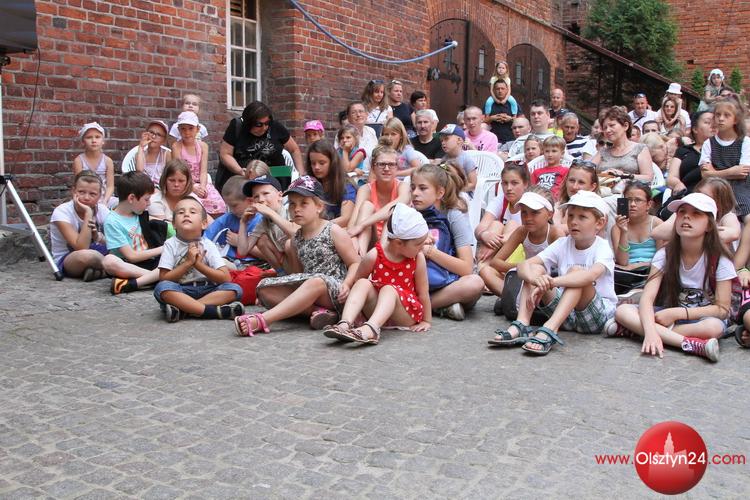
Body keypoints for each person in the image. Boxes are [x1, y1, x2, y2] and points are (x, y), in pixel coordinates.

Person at [605, 193, 733, 362]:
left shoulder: (720, 259)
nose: (686, 217)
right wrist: (650, 332)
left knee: (713, 328)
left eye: (696, 213)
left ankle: (633, 331)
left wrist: (677, 313)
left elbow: (722, 309)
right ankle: (690, 344)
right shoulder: (665, 254)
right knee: (623, 311)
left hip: (699, 318)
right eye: (682, 212)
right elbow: (647, 298)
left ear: (709, 225)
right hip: (665, 314)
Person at [233, 176, 360, 335]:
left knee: (316, 281)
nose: (297, 209)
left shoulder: (333, 230)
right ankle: (322, 312)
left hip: (336, 290)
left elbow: (355, 263)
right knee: (264, 289)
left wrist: (347, 284)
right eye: (292, 204)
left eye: (303, 203)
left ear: (319, 206)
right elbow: (298, 273)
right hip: (310, 286)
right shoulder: (296, 239)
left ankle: (263, 319)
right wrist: (243, 222)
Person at [492, 191, 616, 355]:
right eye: (570, 216)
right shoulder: (563, 244)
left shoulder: (602, 247)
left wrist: (552, 282)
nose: (574, 222)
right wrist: (535, 279)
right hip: (565, 314)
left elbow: (590, 276)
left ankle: (550, 328)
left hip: (595, 317)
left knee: (576, 272)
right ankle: (522, 323)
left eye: (582, 217)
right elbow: (524, 265)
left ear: (599, 223)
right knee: (536, 269)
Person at [323, 203, 431, 344]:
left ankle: (371, 329)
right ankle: (345, 324)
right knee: (363, 283)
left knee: (389, 289)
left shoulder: (417, 258)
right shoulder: (374, 255)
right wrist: (350, 290)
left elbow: (423, 292)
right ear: (398, 243)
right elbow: (358, 281)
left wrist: (426, 320)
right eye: (418, 244)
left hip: (405, 313)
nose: (422, 247)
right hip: (377, 309)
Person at [153, 197, 245, 323]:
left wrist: (198, 265)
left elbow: (225, 277)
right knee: (162, 288)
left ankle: (185, 309)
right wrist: (188, 263)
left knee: (234, 289)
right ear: (173, 224)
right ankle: (211, 311)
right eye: (181, 212)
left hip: (208, 289)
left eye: (192, 212)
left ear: (204, 224)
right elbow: (164, 278)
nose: (186, 214)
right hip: (181, 290)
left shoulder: (208, 245)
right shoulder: (170, 244)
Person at [412, 164, 484, 320]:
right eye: (413, 188)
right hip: (415, 282)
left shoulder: (454, 215)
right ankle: (442, 306)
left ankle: (419, 306)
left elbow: (466, 268)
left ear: (440, 192)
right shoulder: (409, 213)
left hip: (448, 282)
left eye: (422, 188)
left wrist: (430, 251)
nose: (415, 193)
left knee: (475, 283)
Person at [481, 188, 564, 303]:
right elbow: (495, 262)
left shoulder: (555, 233)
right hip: (525, 277)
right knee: (486, 271)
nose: (528, 218)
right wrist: (522, 267)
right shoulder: (522, 231)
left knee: (539, 272)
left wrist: (531, 268)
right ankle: (516, 300)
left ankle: (517, 301)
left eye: (535, 212)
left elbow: (563, 270)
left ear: (550, 214)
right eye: (524, 212)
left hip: (547, 284)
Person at [217, 101, 305, 191]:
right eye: (259, 124)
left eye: (267, 123)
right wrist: (240, 171)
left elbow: (294, 149)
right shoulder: (237, 127)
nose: (264, 128)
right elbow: (225, 154)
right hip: (246, 175)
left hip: (276, 174)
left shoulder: (276, 126)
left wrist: (301, 175)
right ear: (248, 123)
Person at [102, 172, 163, 295]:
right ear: (131, 198)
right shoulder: (112, 221)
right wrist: (163, 248)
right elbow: (131, 256)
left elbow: (163, 223)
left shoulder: (140, 214)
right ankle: (158, 278)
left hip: (151, 262)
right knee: (108, 261)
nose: (149, 203)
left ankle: (136, 283)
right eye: (146, 199)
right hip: (130, 266)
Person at [347, 146, 412, 255]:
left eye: (391, 164)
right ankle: (359, 257)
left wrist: (362, 225)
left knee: (393, 212)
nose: (386, 168)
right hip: (369, 238)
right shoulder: (365, 189)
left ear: (397, 167)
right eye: (381, 164)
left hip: (394, 241)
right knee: (367, 206)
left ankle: (381, 259)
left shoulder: (403, 187)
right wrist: (352, 236)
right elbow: (354, 220)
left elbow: (395, 206)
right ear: (373, 167)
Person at [50, 170, 109, 281]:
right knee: (88, 256)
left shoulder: (102, 210)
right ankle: (112, 268)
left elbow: (116, 241)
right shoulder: (62, 211)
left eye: (92, 194)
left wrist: (98, 237)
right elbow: (81, 247)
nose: (86, 198)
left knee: (121, 249)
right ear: (74, 191)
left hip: (98, 251)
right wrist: (88, 213)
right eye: (81, 192)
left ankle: (100, 271)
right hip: (69, 258)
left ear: (99, 195)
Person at [653, 177, 741, 247]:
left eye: (705, 196)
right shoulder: (685, 211)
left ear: (719, 203)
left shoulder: (726, 215)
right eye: (698, 193)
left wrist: (687, 232)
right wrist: (699, 232)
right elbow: (658, 232)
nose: (699, 198)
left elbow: (733, 234)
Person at [699, 100, 750, 217]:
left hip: (740, 189)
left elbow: (742, 173)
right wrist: (732, 171)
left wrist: (714, 172)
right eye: (718, 115)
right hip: (714, 189)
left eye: (726, 115)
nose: (721, 119)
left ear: (735, 120)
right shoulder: (709, 143)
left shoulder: (745, 142)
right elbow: (704, 175)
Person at [611, 181, 663, 295]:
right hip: (627, 274)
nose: (632, 204)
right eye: (629, 200)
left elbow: (662, 259)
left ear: (649, 204)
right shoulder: (617, 228)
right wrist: (624, 231)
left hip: (653, 271)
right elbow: (623, 262)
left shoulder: (657, 224)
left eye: (638, 200)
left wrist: (638, 265)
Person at [238, 175, 298, 271]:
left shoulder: (289, 210)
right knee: (262, 240)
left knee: (289, 244)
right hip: (286, 263)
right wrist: (243, 222)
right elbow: (242, 252)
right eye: (256, 196)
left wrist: (270, 213)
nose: (260, 200)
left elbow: (297, 234)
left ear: (280, 196)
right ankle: (281, 273)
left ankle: (297, 276)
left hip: (303, 261)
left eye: (265, 193)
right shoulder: (263, 221)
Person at [171, 111, 226, 217]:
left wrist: (203, 186)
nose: (187, 132)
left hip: (201, 182)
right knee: (195, 205)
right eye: (183, 129)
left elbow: (203, 171)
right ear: (178, 130)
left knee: (218, 203)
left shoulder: (203, 146)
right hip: (185, 183)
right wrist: (192, 187)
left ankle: (212, 225)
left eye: (191, 128)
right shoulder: (176, 147)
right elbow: (179, 172)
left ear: (198, 129)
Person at [475, 164, 530, 262]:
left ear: (525, 184)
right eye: (505, 183)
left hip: (524, 252)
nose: (508, 188)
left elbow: (530, 232)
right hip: (499, 249)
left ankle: (484, 265)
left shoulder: (531, 202)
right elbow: (480, 227)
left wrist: (500, 240)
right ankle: (484, 265)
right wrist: (484, 234)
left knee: (513, 225)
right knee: (495, 225)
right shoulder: (500, 200)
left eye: (514, 183)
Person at [203, 175, 263, 265]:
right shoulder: (227, 218)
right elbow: (206, 238)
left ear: (250, 201)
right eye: (228, 206)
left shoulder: (261, 220)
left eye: (234, 205)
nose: (231, 210)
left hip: (255, 263)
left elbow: (266, 254)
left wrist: (239, 242)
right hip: (229, 260)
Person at [592, 106, 654, 183]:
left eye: (612, 125)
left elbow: (648, 177)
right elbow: (587, 172)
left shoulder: (639, 148)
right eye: (605, 128)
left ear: (625, 126)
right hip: (604, 188)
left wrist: (623, 176)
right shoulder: (603, 151)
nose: (607, 130)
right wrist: (603, 175)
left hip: (630, 188)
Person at [307, 140, 357, 227]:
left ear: (332, 163)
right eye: (313, 163)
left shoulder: (346, 186)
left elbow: (346, 218)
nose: (316, 167)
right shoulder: (309, 184)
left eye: (322, 163)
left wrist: (317, 228)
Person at [667, 110, 715, 195]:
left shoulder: (724, 150)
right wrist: (678, 184)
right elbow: (671, 177)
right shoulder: (683, 150)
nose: (713, 125)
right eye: (707, 122)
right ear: (695, 129)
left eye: (715, 122)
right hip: (687, 194)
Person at [72, 122, 115, 206]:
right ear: (83, 142)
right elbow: (79, 185)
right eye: (89, 137)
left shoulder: (108, 161)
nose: (94, 141)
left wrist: (105, 201)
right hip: (86, 197)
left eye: (97, 137)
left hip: (105, 197)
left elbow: (110, 186)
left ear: (103, 141)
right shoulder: (79, 161)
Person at [334, 101, 379, 174]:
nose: (358, 115)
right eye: (353, 113)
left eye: (361, 111)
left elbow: (377, 154)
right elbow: (336, 160)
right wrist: (353, 169)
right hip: (350, 177)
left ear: (366, 114)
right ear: (348, 117)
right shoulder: (342, 135)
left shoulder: (371, 131)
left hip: (371, 175)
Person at [149, 159, 198, 224]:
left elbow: (206, 221)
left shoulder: (193, 199)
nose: (176, 185)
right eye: (172, 180)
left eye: (181, 181)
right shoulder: (155, 201)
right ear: (165, 180)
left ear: (187, 182)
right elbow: (164, 228)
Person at [554, 159, 601, 227]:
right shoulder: (558, 206)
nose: (574, 187)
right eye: (572, 180)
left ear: (592, 187)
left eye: (581, 182)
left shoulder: (599, 209)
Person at [437, 124, 478, 193]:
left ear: (459, 140)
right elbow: (444, 175)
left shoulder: (466, 159)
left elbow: (473, 184)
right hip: (447, 193)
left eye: (446, 139)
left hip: (464, 194)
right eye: (441, 140)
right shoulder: (444, 159)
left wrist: (456, 191)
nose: (443, 143)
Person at [530, 136, 569, 200]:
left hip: (556, 200)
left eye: (554, 151)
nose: (550, 154)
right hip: (538, 199)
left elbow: (566, 190)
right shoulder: (536, 172)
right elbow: (531, 189)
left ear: (562, 153)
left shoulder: (565, 171)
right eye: (547, 151)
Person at [135, 120, 172, 185]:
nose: (153, 137)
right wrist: (141, 147)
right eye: (151, 132)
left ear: (164, 140)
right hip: (144, 187)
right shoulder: (140, 153)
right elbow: (139, 171)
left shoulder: (167, 154)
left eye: (159, 135)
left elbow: (170, 175)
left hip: (161, 187)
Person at [484, 80, 518, 145]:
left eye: (502, 88)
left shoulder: (512, 103)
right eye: (498, 89)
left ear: (507, 90)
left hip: (510, 139)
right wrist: (492, 118)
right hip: (493, 140)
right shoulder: (489, 103)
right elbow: (483, 122)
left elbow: (521, 122)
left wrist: (510, 119)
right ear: (494, 90)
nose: (500, 91)